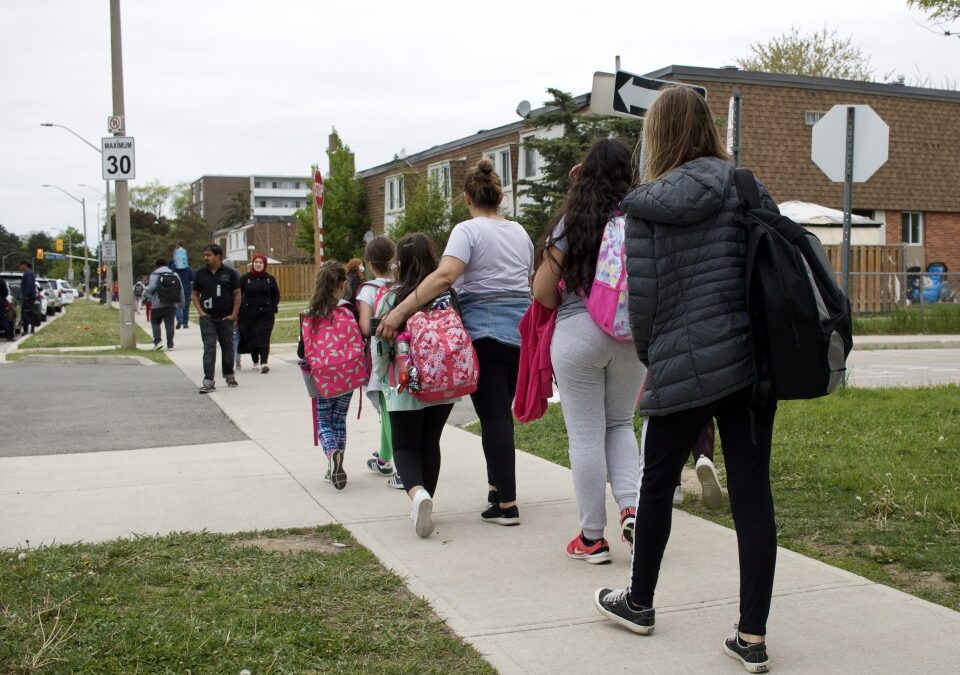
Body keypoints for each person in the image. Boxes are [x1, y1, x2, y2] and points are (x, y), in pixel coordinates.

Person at [591, 87, 780, 674]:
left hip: (677, 356)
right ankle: (752, 636)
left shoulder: (645, 207)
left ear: (658, 134)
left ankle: (639, 600)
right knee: (752, 494)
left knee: (655, 483)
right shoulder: (745, 187)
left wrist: (654, 356)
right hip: (748, 361)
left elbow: (642, 304)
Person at [378, 159, 533, 526]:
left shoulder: (468, 231)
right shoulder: (520, 232)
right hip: (521, 333)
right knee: (500, 413)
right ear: (502, 197)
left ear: (467, 197)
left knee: (493, 417)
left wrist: (399, 311)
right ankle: (496, 490)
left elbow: (445, 275)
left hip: (485, 333)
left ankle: (507, 504)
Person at [532, 138, 644, 563]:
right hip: (630, 336)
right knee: (619, 424)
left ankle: (592, 538)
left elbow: (543, 293)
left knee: (585, 435)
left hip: (579, 332)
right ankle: (632, 511)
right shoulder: (642, 217)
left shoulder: (573, 221)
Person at [371, 233, 460, 538]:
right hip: (444, 383)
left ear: (401, 262)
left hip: (405, 383)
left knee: (405, 445)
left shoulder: (392, 298)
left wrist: (382, 377)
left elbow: (381, 346)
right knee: (430, 442)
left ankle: (418, 495)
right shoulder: (448, 293)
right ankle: (426, 499)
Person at [298, 260, 358, 490]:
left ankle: (331, 454)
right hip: (348, 374)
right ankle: (335, 463)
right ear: (343, 284)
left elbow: (302, 350)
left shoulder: (310, 313)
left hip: (322, 376)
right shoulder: (349, 309)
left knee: (323, 420)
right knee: (339, 419)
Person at [356, 236, 401, 488]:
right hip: (405, 352)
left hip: (381, 355)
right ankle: (384, 458)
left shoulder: (368, 290)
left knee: (388, 410)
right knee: (391, 408)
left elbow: (365, 327)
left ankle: (400, 467)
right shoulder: (403, 284)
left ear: (370, 263)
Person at [191, 244, 241, 394]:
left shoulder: (230, 274)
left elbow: (237, 294)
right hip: (208, 318)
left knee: (228, 348)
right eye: (205, 255)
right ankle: (208, 380)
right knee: (209, 348)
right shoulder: (200, 274)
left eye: (209, 255)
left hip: (226, 318)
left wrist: (234, 314)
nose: (205, 258)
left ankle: (229, 375)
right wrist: (201, 312)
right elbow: (194, 294)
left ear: (218, 256)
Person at [238, 253, 280, 373]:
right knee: (252, 337)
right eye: (256, 262)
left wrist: (273, 306)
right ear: (253, 264)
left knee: (263, 337)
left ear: (264, 265)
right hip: (248, 314)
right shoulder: (245, 278)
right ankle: (255, 361)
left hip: (266, 314)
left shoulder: (269, 279)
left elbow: (276, 295)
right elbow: (238, 294)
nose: (258, 264)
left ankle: (264, 363)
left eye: (261, 262)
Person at [144, 258, 183, 350]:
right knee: (170, 324)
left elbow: (151, 288)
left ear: (157, 266)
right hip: (172, 304)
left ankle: (158, 342)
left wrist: (145, 293)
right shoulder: (175, 274)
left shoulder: (154, 274)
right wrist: (181, 304)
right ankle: (170, 345)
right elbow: (180, 290)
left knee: (155, 323)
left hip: (157, 304)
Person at [18, 261, 37, 334]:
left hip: (28, 298)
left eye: (20, 265)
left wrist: (26, 296)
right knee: (29, 313)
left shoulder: (28, 274)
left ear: (25, 265)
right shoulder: (29, 273)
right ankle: (30, 328)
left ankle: (27, 330)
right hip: (29, 297)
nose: (19, 267)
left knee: (26, 313)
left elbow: (29, 286)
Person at [0, 276, 13, 341]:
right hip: (1, 300)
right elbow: (6, 293)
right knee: (3, 319)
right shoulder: (2, 281)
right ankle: (9, 336)